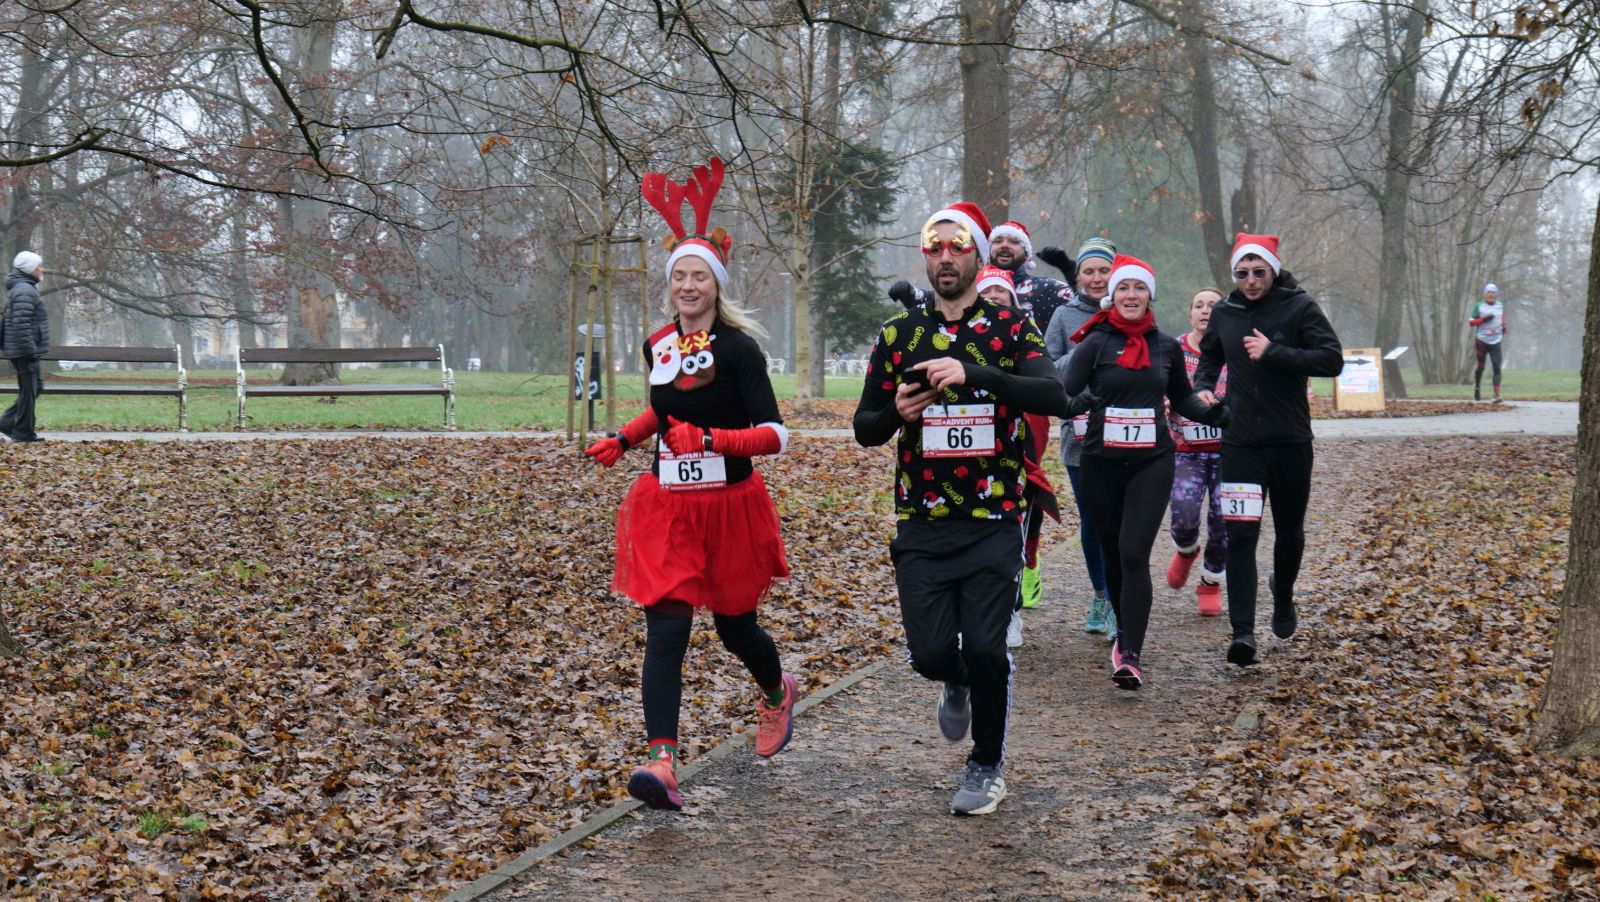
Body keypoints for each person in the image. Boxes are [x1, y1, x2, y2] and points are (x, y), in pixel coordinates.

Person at [584, 158, 797, 812]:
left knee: (737, 630)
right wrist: (625, 438)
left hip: (731, 507)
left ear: (716, 285)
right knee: (668, 629)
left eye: (698, 275)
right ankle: (663, 765)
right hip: (668, 506)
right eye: (678, 275)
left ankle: (775, 692)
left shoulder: (737, 350)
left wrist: (712, 442)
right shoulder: (659, 346)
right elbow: (666, 413)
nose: (686, 285)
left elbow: (775, 434)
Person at [854, 201, 1068, 816]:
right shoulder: (899, 335)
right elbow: (865, 427)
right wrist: (897, 412)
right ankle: (953, 679)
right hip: (921, 520)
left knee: (986, 644)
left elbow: (1054, 395)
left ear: (977, 254)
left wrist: (976, 373)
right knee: (928, 652)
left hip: (993, 515)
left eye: (958, 246)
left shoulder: (1008, 329)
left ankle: (986, 765)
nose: (946, 257)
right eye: (935, 247)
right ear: (925, 257)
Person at [1063, 255, 1223, 689]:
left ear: (1149, 294)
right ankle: (1121, 629)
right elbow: (1064, 392)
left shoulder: (1166, 346)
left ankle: (1131, 652)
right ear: (1111, 296)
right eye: (1122, 289)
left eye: (1138, 288)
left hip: (1153, 460)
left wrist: (1223, 414)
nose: (1130, 295)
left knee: (1134, 552)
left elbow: (1185, 401)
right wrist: (1074, 405)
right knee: (1114, 554)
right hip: (1100, 461)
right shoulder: (1095, 342)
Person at [1193, 233, 1344, 667]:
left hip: (1291, 442)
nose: (1251, 281)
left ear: (1273, 270)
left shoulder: (1299, 307)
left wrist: (1273, 351)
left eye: (1259, 272)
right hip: (1241, 443)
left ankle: (1284, 595)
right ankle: (1242, 634)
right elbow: (1209, 359)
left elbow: (1330, 359)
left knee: (1289, 531)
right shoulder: (1225, 311)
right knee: (1241, 535)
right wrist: (1204, 389)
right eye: (1242, 273)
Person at [974, 265, 1062, 650]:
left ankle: (1009, 613)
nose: (994, 298)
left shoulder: (1025, 338)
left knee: (1011, 534)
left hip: (1016, 453)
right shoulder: (953, 338)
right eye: (986, 293)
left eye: (1001, 293)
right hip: (965, 462)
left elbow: (1045, 392)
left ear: (1013, 301)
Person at [1044, 238, 1117, 636]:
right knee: (1091, 519)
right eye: (1088, 271)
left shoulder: (1131, 306)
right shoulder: (1063, 316)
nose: (1096, 278)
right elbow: (1049, 369)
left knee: (1119, 520)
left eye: (1103, 270)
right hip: (1080, 435)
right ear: (1078, 276)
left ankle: (1121, 596)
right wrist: (1088, 345)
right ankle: (1102, 595)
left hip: (1126, 433)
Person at [1166, 289, 1228, 615]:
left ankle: (1210, 581)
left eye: (1213, 306)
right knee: (1184, 511)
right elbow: (1156, 384)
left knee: (1224, 520)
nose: (1205, 311)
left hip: (1229, 452)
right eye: (1198, 305)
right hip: (1185, 449)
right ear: (1190, 314)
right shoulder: (1174, 349)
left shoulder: (1236, 348)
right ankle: (1187, 550)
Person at [2, 251, 49, 443]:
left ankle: (11, 425)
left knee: (33, 388)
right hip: (24, 350)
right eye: (39, 266)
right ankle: (22, 432)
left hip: (22, 349)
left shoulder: (24, 288)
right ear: (30, 269)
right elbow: (22, 324)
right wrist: (30, 351)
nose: (42, 269)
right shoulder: (24, 291)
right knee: (30, 390)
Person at [1470, 282, 1506, 402]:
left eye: (1493, 292)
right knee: (1481, 366)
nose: (1491, 294)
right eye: (1489, 292)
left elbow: (1501, 318)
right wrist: (1483, 319)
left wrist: (1504, 326)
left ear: (1496, 295)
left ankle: (1496, 394)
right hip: (1482, 341)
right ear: (1485, 295)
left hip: (1496, 340)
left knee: (1497, 366)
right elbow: (1471, 322)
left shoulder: (1500, 306)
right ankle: (1477, 388)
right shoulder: (1479, 306)